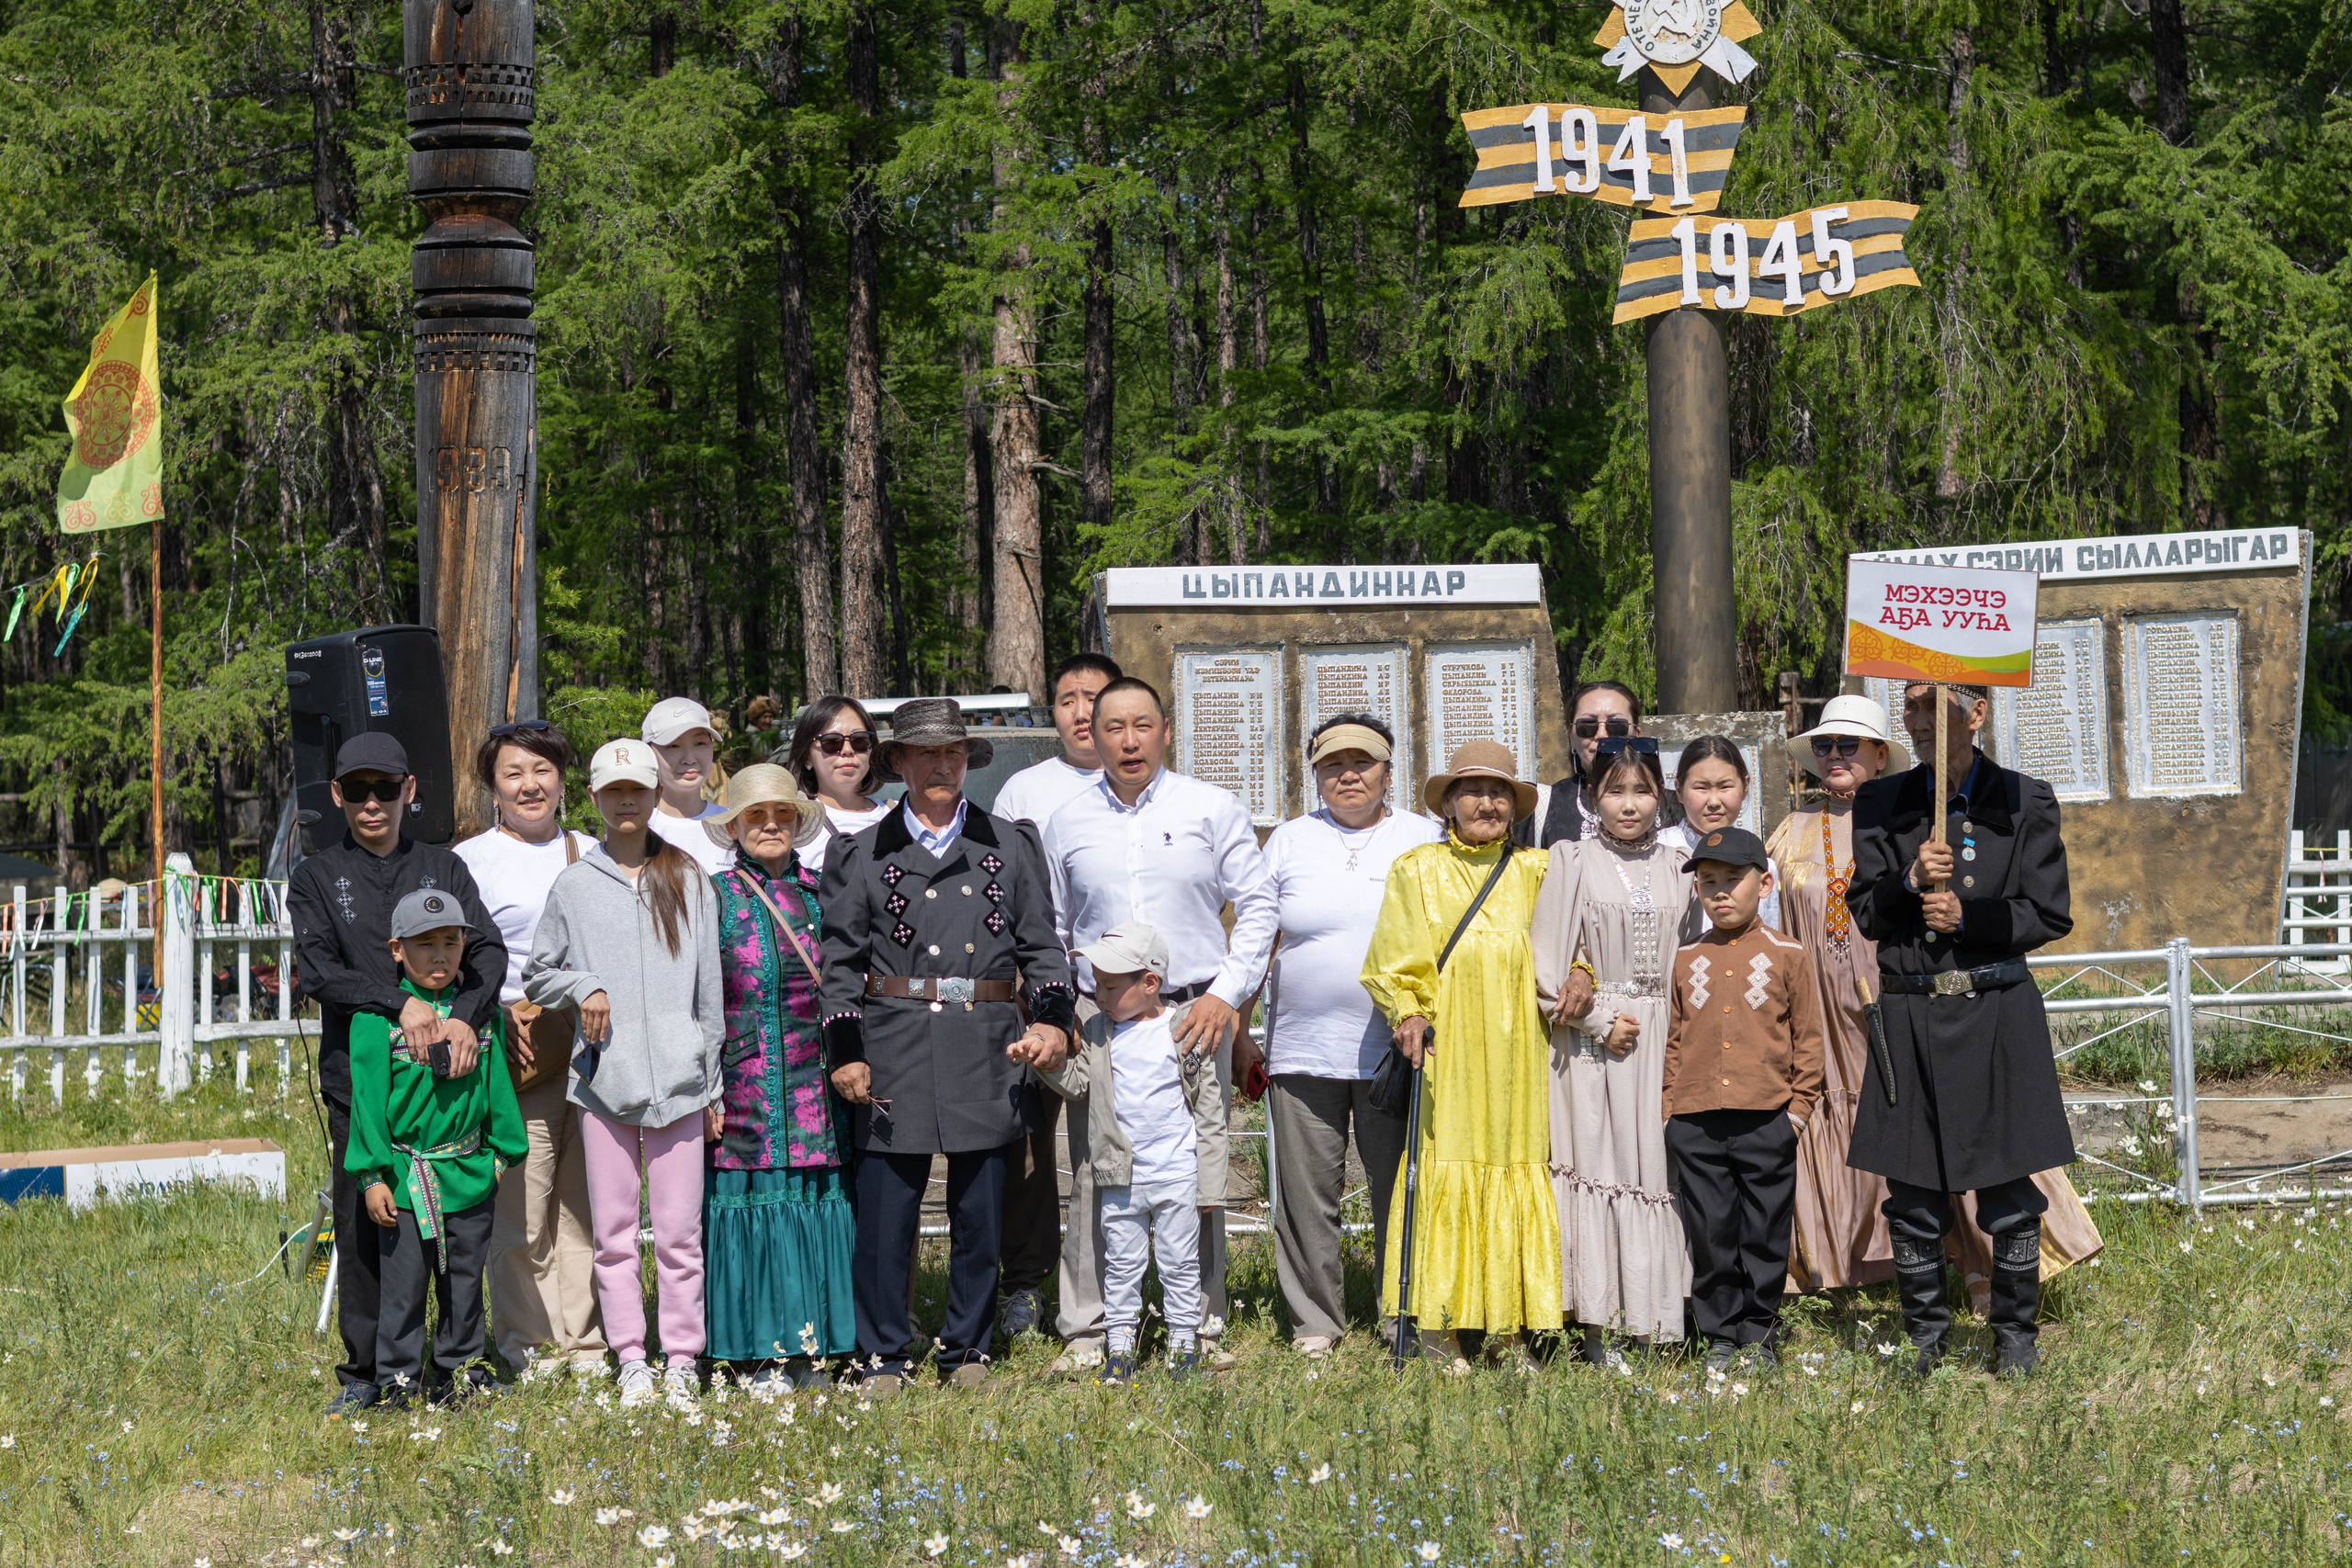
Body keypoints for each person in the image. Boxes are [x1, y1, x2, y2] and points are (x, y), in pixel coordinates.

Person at [818, 699, 1075, 1393]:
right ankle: (884, 1355)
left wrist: (1053, 1021)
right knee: (886, 1215)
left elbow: (1043, 949)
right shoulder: (860, 851)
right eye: (925, 753)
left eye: (953, 753)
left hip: (985, 1043)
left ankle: (967, 1350)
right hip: (891, 1040)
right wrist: (845, 1049)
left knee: (980, 1212)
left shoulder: (1010, 843)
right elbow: (840, 962)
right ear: (897, 762)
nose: (941, 765)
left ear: (968, 760)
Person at [1041, 677, 1276, 1374]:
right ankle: (1088, 1330)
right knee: (1095, 1167)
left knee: (1195, 1161)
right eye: (1113, 726)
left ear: (1165, 730)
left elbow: (1258, 905)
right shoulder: (1068, 820)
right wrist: (1064, 1009)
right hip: (1103, 1018)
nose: (1129, 739)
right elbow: (1053, 929)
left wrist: (1226, 996)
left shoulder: (1210, 806)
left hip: (1195, 1013)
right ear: (1093, 734)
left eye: (1142, 724)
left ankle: (1196, 1325)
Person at [1846, 682, 2079, 1378]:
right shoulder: (1882, 802)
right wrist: (1910, 881)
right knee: (1912, 1195)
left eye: (1930, 705)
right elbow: (1865, 910)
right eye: (1909, 706)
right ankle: (1925, 1342)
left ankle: (2014, 1338)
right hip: (1912, 1011)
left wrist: (1969, 921)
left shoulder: (2024, 798)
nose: (1914, 719)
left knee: (2010, 1193)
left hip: (1996, 1009)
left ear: (1976, 713)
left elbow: (2049, 912)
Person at [289, 731, 505, 1418]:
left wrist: (467, 1015)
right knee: (366, 1221)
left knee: (456, 1236)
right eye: (358, 789)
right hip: (365, 1081)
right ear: (337, 796)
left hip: (452, 1084)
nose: (373, 802)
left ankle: (457, 1363)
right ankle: (367, 1372)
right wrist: (400, 1001)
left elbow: (490, 951)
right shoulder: (317, 875)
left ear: (411, 789)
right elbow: (319, 971)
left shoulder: (445, 866)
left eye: (386, 788)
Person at [525, 739, 725, 1411]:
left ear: (655, 791)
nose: (627, 801)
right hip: (603, 1084)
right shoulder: (575, 886)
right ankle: (630, 1357)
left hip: (682, 1084)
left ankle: (681, 1357)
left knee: (678, 1232)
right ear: (594, 799)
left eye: (638, 787)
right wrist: (584, 985)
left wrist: (713, 1078)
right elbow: (538, 972)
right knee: (613, 1235)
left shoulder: (689, 876)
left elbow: (709, 992)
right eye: (614, 791)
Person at [1361, 740, 1559, 1371]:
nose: (1487, 802)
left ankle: (1507, 1331)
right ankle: (1439, 1330)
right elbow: (1395, 958)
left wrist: (1579, 967)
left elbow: (1573, 938)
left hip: (1522, 1053)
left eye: (1500, 791)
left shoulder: (1538, 869)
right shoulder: (1416, 869)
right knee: (1446, 1165)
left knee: (1513, 1163)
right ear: (1448, 802)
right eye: (1472, 790)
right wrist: (1408, 1007)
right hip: (1450, 1048)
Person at [1261, 713, 1439, 1357]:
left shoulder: (1423, 839)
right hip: (1302, 1046)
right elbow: (1259, 934)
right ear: (1315, 774)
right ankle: (1316, 1322)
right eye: (1333, 764)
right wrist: (1241, 1027)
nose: (1348, 774)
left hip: (1398, 1049)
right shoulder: (1288, 840)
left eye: (1362, 762)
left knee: (1404, 1183)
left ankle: (1405, 1311)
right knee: (1307, 1194)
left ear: (1388, 771)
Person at [454, 722, 607, 1382]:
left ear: (563, 782)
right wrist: (492, 1015)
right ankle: (528, 1343)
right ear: (493, 788)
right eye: (514, 772)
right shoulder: (469, 861)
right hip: (518, 1047)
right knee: (523, 1203)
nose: (530, 784)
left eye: (542, 770)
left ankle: (587, 1343)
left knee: (585, 1204)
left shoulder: (593, 852)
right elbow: (452, 959)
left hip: (597, 1048)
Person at [1531, 737, 1692, 1360]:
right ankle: (1598, 1327)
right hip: (1596, 1045)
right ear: (1593, 796)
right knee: (1600, 1168)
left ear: (1661, 795)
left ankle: (1652, 1321)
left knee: (1653, 1170)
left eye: (1642, 790)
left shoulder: (1679, 863)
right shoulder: (1572, 858)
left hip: (1664, 1037)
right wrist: (1598, 1018)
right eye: (1615, 790)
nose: (1630, 804)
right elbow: (1547, 964)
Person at [980, 649, 1123, 1341]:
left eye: (1093, 696)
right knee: (1032, 1151)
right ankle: (1027, 1284)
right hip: (1037, 999)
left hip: (1123, 1001)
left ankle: (1131, 1288)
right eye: (1066, 698)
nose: (1080, 710)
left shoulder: (1152, 789)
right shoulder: (1024, 793)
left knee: (1114, 1150)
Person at [702, 764, 856, 1388]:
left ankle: (817, 1351)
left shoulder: (824, 895)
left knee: (818, 1205)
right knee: (749, 1208)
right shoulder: (709, 895)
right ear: (734, 826)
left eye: (782, 814)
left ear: (797, 822)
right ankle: (758, 1355)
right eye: (756, 816)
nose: (770, 825)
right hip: (741, 1085)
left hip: (816, 1086)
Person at [345, 889, 528, 1406]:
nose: (441, 955)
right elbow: (367, 1104)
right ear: (397, 949)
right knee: (403, 1288)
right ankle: (400, 1380)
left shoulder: (477, 1020)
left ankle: (460, 1372)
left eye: (452, 942)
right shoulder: (376, 1025)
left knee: (466, 1284)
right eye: (425, 945)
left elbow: (496, 1090)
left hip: (468, 1173)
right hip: (407, 1179)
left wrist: (500, 1155)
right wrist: (372, 1176)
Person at [1023, 922, 1227, 1384]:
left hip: (1176, 1176)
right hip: (1120, 1178)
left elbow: (1210, 1112)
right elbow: (1078, 1084)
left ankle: (1182, 1345)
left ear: (1150, 983)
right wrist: (1046, 1062)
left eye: (1110, 985)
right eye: (1096, 982)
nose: (1099, 992)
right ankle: (1119, 1347)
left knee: (1180, 1263)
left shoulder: (1182, 1031)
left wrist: (1211, 1183)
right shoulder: (1098, 1033)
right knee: (1121, 1265)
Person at [1660, 828, 1824, 1372]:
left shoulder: (1788, 955)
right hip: (1697, 1120)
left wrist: (1796, 1116)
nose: (1721, 892)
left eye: (1734, 880)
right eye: (1709, 883)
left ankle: (1759, 1331)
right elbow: (1674, 1039)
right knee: (1711, 1232)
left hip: (1767, 1120)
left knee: (1763, 1230)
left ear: (1765, 882)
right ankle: (1719, 1333)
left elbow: (1810, 1040)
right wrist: (1670, 1112)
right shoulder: (1686, 959)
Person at [1521, 680, 1678, 849]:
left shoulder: (1675, 807)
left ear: (1636, 734)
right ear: (1571, 738)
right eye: (1587, 726)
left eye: (1616, 726)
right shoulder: (1540, 807)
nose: (1601, 735)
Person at [1661, 736, 1779, 932]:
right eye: (1701, 788)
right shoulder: (1658, 852)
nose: (1714, 801)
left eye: (1725, 786)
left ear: (1745, 785)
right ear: (1679, 790)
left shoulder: (1762, 866)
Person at [990, 652, 1122, 826]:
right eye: (1068, 702)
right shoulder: (1021, 791)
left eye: (1092, 699)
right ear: (1054, 714)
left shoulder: (1152, 788)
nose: (1081, 715)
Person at [787, 695, 895, 875]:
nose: (847, 750)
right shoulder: (794, 825)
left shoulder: (899, 816)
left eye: (860, 740)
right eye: (831, 742)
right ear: (807, 756)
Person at [643, 695, 736, 875]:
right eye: (674, 746)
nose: (689, 758)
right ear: (648, 752)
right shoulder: (638, 828)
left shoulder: (732, 824)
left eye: (700, 743)